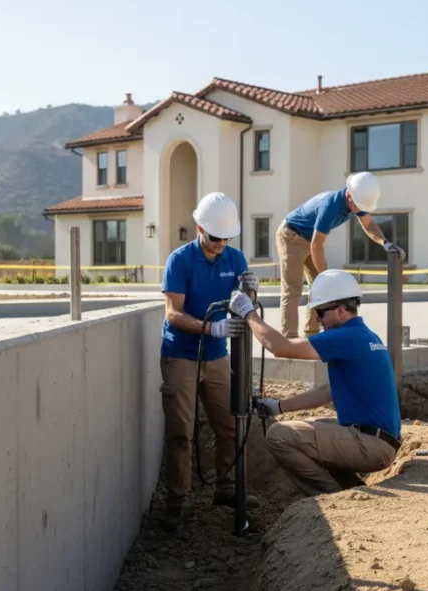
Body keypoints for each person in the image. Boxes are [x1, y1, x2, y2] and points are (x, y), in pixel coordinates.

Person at [228, 269, 401, 496]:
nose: (318, 320)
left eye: (320, 312)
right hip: (378, 440)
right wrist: (278, 406)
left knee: (278, 435)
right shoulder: (365, 335)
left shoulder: (345, 337)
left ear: (340, 310)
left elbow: (280, 347)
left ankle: (333, 498)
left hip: (371, 445)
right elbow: (328, 391)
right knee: (311, 425)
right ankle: (352, 489)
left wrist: (249, 313)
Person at [159, 191, 261, 532]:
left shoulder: (235, 259)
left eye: (227, 238)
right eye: (215, 238)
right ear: (200, 227)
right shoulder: (180, 260)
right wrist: (212, 326)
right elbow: (173, 314)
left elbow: (245, 306)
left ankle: (228, 489)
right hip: (181, 355)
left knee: (231, 426)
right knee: (181, 433)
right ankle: (178, 502)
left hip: (217, 357)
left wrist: (252, 292)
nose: (221, 244)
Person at [276, 172, 403, 339]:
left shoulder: (358, 201)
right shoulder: (330, 206)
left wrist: (385, 243)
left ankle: (312, 337)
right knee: (293, 289)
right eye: (358, 206)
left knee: (319, 289)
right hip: (291, 235)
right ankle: (289, 339)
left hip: (310, 239)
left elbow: (369, 224)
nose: (360, 210)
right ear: (349, 195)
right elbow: (317, 244)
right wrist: (325, 275)